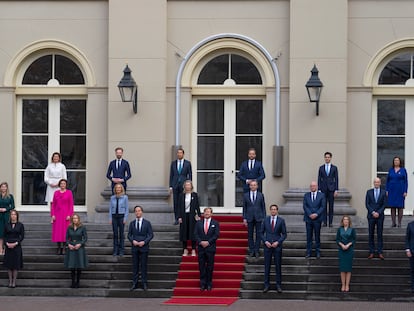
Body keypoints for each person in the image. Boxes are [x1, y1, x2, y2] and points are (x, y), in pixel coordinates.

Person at [261, 204, 287, 294]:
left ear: (277, 211)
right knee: (267, 266)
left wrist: (278, 242)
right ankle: (266, 285)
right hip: (267, 246)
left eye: (275, 209)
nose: (273, 211)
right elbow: (261, 233)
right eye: (271, 209)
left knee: (278, 266)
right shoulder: (265, 220)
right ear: (270, 210)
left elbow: (284, 234)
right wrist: (265, 241)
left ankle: (278, 285)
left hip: (277, 247)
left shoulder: (281, 221)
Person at [128, 205, 153, 291]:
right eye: (136, 211)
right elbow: (129, 235)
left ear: (142, 212)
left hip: (144, 247)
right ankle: (134, 283)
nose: (137, 212)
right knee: (135, 266)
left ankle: (144, 283)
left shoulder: (147, 223)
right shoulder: (132, 223)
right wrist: (133, 241)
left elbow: (150, 235)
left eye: (139, 211)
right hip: (135, 247)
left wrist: (144, 242)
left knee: (143, 266)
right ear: (134, 213)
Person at [194, 207, 220, 291]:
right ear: (203, 213)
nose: (207, 214)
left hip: (210, 248)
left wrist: (208, 242)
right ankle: (202, 284)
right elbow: (195, 234)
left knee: (210, 267)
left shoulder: (215, 223)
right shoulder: (199, 223)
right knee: (201, 266)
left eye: (208, 212)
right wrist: (201, 242)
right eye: (205, 212)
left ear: (211, 214)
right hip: (201, 248)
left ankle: (209, 284)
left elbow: (216, 235)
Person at [64, 214, 88, 288]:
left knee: (79, 266)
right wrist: (68, 244)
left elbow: (85, 238)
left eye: (76, 218)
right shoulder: (69, 227)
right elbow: (66, 238)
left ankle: (78, 282)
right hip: (71, 248)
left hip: (79, 248)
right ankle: (73, 282)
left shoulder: (82, 227)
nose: (75, 220)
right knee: (72, 266)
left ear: (78, 219)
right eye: (74, 218)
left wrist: (80, 244)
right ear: (72, 219)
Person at [169, 148, 192, 225]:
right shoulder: (173, 163)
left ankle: (182, 218)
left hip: (183, 185)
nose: (179, 154)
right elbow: (171, 175)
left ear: (183, 154)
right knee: (176, 202)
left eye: (180, 153)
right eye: (178, 153)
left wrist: (189, 185)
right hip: (175, 185)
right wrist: (170, 186)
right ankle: (176, 218)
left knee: (183, 202)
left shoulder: (187, 163)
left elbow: (190, 175)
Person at [243, 180, 266, 258]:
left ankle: (257, 250)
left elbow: (263, 207)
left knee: (258, 235)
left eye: (254, 185)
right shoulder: (246, 195)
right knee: (250, 235)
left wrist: (264, 218)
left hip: (259, 217)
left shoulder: (260, 195)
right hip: (249, 217)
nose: (253, 186)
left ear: (257, 186)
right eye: (251, 185)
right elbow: (244, 207)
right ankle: (251, 250)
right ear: (249, 186)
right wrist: (244, 218)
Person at [177, 180, 201, 256]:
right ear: (184, 186)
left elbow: (197, 206)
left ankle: (193, 249)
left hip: (192, 216)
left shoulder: (195, 195)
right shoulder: (181, 195)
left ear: (191, 186)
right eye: (186, 185)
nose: (187, 186)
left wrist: (198, 215)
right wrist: (179, 216)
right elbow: (179, 207)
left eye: (189, 185)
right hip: (184, 216)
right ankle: (185, 249)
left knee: (192, 232)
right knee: (184, 232)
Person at [365, 177, 387, 260]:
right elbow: (367, 204)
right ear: (373, 183)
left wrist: (378, 212)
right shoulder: (369, 192)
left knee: (379, 234)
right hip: (371, 216)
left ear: (380, 183)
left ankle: (380, 252)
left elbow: (384, 204)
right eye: (375, 182)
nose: (376, 183)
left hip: (380, 216)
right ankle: (371, 252)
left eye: (378, 182)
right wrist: (373, 212)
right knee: (371, 234)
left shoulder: (384, 192)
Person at [51, 179, 74, 255]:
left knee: (64, 231)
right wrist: (53, 215)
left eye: (64, 184)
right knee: (58, 231)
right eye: (61, 184)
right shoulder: (56, 193)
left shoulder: (69, 193)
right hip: (57, 215)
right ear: (59, 185)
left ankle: (64, 247)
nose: (62, 185)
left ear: (66, 185)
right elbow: (53, 205)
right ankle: (58, 247)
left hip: (65, 215)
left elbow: (71, 205)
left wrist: (69, 215)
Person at [303, 181, 325, 259]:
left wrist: (316, 214)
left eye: (314, 186)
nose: (313, 187)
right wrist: (310, 214)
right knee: (309, 236)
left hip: (317, 219)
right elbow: (305, 206)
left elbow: (322, 206)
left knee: (317, 236)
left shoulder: (321, 195)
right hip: (308, 219)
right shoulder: (306, 195)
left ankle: (318, 252)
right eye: (311, 186)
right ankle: (308, 252)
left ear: (317, 187)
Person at [3, 210, 24, 288]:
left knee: (15, 264)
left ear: (17, 216)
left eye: (14, 214)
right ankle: (10, 281)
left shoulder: (20, 225)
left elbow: (22, 236)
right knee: (9, 264)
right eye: (12, 214)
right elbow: (4, 236)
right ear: (10, 216)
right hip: (8, 246)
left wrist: (16, 243)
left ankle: (14, 282)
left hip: (16, 247)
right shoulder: (6, 225)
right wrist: (7, 244)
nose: (13, 216)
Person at [318, 151, 339, 227]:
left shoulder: (334, 168)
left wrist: (336, 190)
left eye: (328, 157)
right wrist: (319, 189)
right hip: (323, 189)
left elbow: (336, 179)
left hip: (331, 189)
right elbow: (319, 179)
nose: (327, 158)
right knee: (323, 206)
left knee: (331, 206)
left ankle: (330, 222)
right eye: (326, 157)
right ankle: (324, 222)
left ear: (330, 158)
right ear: (324, 158)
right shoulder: (321, 168)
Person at [386, 156, 408, 228]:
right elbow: (387, 181)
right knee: (392, 207)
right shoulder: (391, 170)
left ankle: (399, 223)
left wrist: (405, 191)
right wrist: (387, 190)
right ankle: (393, 223)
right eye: (395, 160)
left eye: (397, 160)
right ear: (393, 162)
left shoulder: (403, 170)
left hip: (400, 191)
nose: (396, 162)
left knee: (400, 207)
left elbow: (406, 181)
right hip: (392, 190)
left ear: (400, 162)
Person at [336, 215, 356, 292]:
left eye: (347, 220)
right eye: (344, 220)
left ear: (349, 221)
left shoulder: (352, 230)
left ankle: (347, 285)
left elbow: (354, 239)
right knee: (342, 268)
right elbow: (337, 239)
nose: (346, 221)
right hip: (342, 250)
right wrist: (342, 245)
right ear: (342, 221)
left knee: (348, 269)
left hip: (349, 250)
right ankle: (343, 284)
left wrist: (348, 245)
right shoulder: (339, 229)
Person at [109, 183, 129, 256]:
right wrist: (110, 218)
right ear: (115, 189)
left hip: (121, 216)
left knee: (121, 234)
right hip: (114, 217)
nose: (118, 189)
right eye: (117, 188)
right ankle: (115, 250)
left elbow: (127, 209)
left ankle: (121, 250)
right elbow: (110, 209)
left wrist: (125, 218)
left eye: (119, 188)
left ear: (121, 189)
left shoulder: (125, 197)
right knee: (115, 234)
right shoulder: (112, 198)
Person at [0, 182, 15, 255]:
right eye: (2, 187)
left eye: (4, 187)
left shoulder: (10, 196)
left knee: (6, 232)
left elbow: (12, 206)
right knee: (0, 233)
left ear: (7, 188)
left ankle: (6, 249)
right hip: (0, 216)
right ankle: (0, 249)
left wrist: (6, 209)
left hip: (6, 215)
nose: (3, 188)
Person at [405, 220, 414, 293]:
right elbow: (407, 238)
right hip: (412, 251)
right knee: (413, 270)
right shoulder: (410, 225)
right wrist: (407, 249)